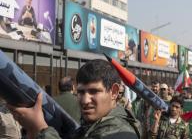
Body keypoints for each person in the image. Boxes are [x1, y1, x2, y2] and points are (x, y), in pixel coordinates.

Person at [8, 59, 142, 138]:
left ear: (114, 92)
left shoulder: (118, 133)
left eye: (94, 91)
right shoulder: (95, 125)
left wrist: (40, 128)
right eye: (81, 92)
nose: (84, 100)